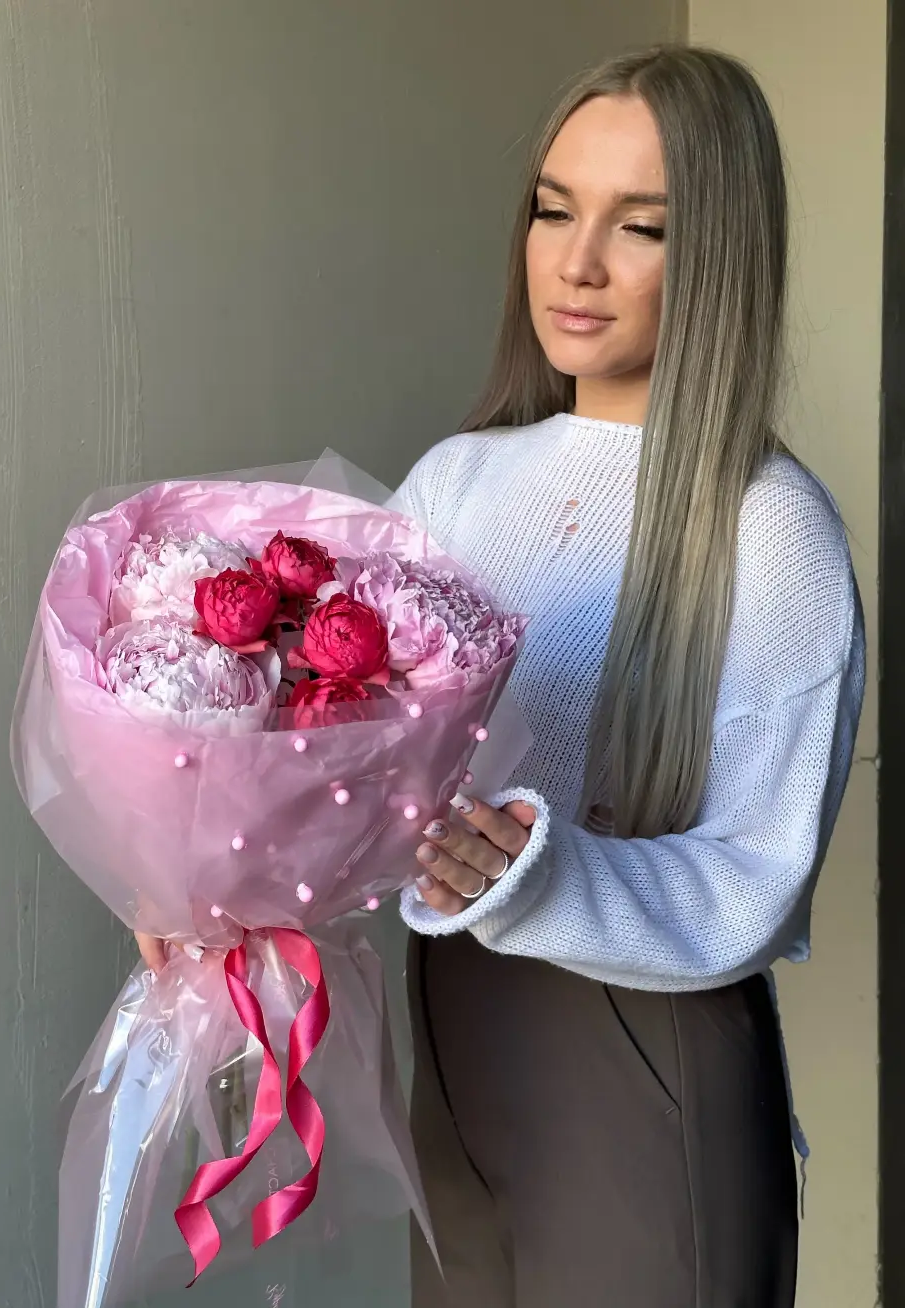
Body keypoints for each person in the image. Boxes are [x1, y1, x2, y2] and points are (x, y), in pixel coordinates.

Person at [392, 43, 864, 1308]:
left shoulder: (766, 526)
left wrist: (538, 871)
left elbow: (757, 877)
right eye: (553, 209)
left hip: (638, 1058)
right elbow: (351, 760)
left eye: (639, 226)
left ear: (718, 253)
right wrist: (212, 886)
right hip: (450, 1046)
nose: (576, 262)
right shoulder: (453, 483)